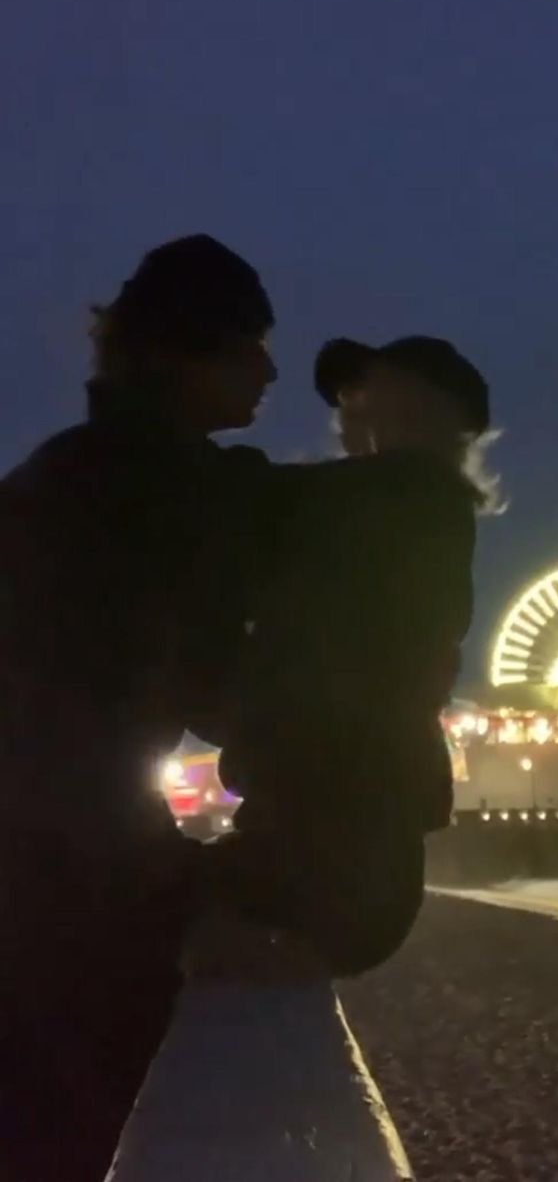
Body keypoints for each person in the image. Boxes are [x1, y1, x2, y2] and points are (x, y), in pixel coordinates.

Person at [0, 235, 276, 1181]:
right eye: (250, 345)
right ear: (186, 350)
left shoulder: (52, 475)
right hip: (78, 888)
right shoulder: (163, 491)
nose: (272, 371)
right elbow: (219, 691)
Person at [218, 334, 493, 975]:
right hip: (353, 855)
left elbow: (252, 497)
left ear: (428, 413)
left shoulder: (405, 502)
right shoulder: (410, 509)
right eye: (345, 400)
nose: (346, 412)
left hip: (334, 855)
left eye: (365, 393)